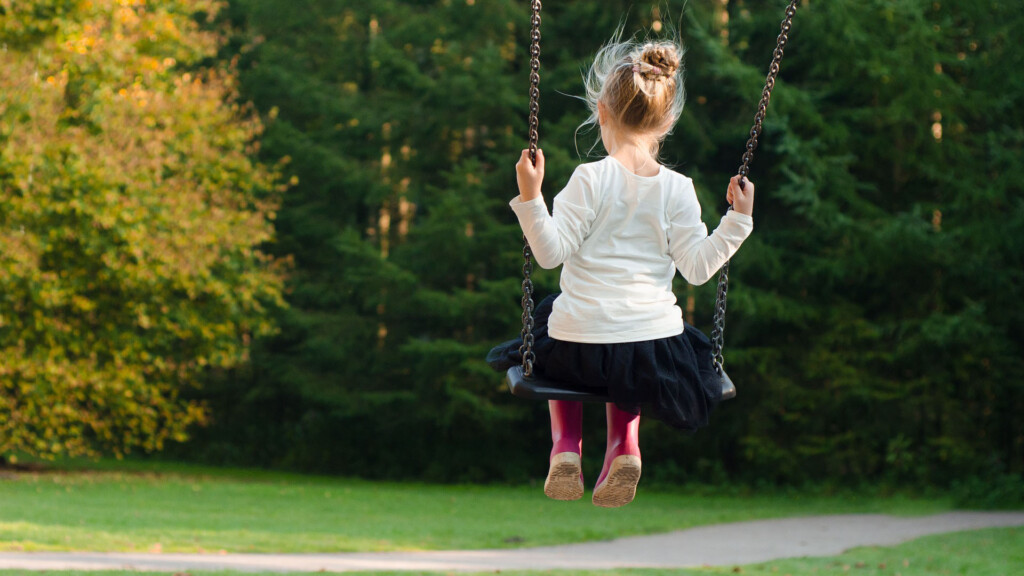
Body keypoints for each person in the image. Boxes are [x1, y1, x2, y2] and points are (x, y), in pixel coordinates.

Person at [487, 36, 755, 507]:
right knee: (631, 355)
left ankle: (566, 446)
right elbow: (697, 269)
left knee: (553, 322)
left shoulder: (588, 179)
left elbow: (549, 254)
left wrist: (531, 197)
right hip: (651, 349)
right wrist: (737, 221)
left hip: (578, 346)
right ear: (667, 121)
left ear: (601, 113)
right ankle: (625, 447)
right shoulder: (678, 189)